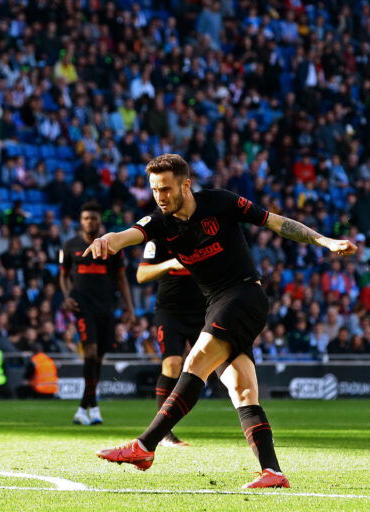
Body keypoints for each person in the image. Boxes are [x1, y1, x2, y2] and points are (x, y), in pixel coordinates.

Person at [86, 154, 356, 489]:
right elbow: (128, 234)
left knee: (196, 360)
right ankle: (272, 471)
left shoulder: (220, 202)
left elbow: (276, 222)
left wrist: (324, 241)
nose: (160, 196)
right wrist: (107, 240)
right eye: (155, 189)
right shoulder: (161, 221)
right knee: (242, 390)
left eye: (166, 188)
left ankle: (145, 446)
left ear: (186, 184)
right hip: (217, 304)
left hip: (244, 295)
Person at [60, 201, 134, 425]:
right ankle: (90, 407)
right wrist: (67, 297)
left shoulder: (112, 246)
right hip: (83, 306)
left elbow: (121, 278)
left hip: (106, 306)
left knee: (99, 357)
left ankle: (86, 407)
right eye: (86, 218)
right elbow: (63, 275)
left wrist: (129, 307)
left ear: (100, 220)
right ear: (80, 221)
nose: (90, 222)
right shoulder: (70, 246)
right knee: (90, 352)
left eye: (93, 218)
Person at [136, 237, 206, 446]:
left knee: (223, 366)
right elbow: (141, 275)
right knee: (172, 363)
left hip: (203, 311)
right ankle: (164, 432)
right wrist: (171, 263)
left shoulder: (208, 235)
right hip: (170, 313)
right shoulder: (159, 240)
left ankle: (255, 427)